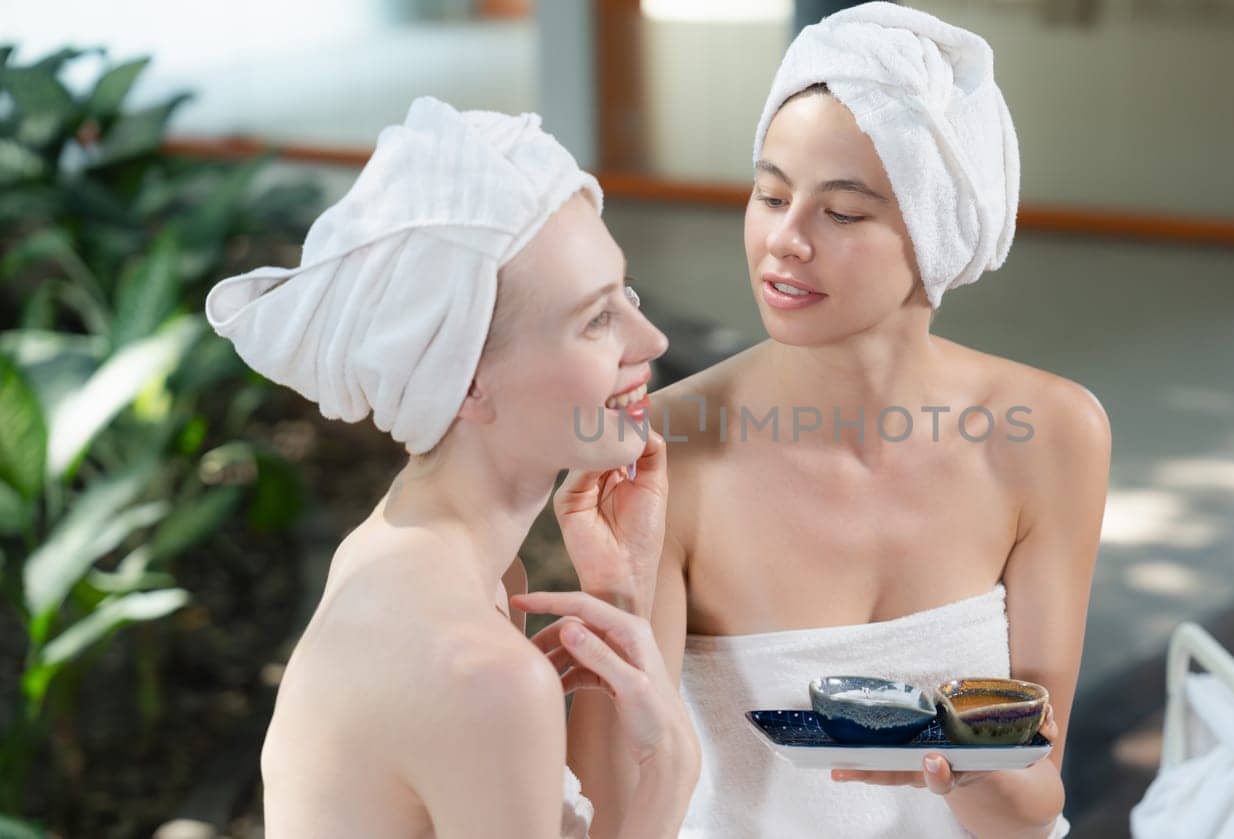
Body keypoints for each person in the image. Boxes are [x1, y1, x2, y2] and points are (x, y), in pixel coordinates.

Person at [568, 5, 1109, 837]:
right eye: (770, 193)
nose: (785, 239)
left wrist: (957, 771)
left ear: (936, 234)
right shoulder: (666, 447)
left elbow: (1034, 800)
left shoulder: (1050, 433)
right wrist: (611, 595)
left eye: (843, 212)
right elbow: (621, 812)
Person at [205, 97, 697, 838]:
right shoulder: (480, 669)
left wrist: (618, 595)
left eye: (624, 294)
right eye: (596, 318)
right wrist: (672, 782)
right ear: (464, 379)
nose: (651, 338)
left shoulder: (415, 555)